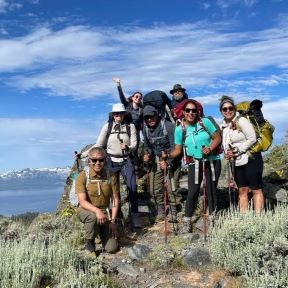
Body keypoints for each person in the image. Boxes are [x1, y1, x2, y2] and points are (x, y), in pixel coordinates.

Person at [169, 99, 222, 233]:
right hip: (194, 162)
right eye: (188, 110)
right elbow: (178, 150)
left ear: (197, 111)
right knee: (193, 191)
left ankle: (213, 218)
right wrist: (166, 156)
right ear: (183, 112)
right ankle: (187, 220)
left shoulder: (205, 122)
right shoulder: (180, 129)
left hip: (212, 160)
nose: (191, 113)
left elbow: (217, 138)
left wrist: (209, 148)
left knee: (211, 190)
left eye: (194, 110)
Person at [95, 103, 140, 228]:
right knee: (114, 190)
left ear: (124, 114)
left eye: (120, 113)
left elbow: (134, 145)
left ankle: (135, 217)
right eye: (116, 113)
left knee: (133, 187)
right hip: (111, 160)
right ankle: (117, 217)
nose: (118, 115)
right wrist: (82, 155)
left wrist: (128, 147)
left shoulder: (130, 127)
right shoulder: (107, 127)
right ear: (113, 115)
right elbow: (98, 144)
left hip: (126, 160)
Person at [219, 95, 264, 214]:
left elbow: (252, 138)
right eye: (225, 109)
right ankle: (244, 219)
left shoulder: (241, 120)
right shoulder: (223, 126)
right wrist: (227, 154)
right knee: (242, 190)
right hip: (237, 162)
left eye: (230, 108)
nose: (228, 111)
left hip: (252, 158)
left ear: (234, 109)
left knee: (255, 189)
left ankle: (259, 220)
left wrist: (237, 151)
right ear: (221, 111)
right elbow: (225, 144)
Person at [76, 147, 119, 254]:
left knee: (112, 248)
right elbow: (82, 202)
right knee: (92, 217)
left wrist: (113, 221)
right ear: (89, 161)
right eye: (94, 160)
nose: (97, 163)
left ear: (105, 160)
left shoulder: (111, 176)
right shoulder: (82, 176)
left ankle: (99, 232)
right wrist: (97, 211)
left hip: (105, 213)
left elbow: (115, 200)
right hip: (87, 211)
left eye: (101, 160)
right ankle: (90, 245)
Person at [143, 105, 181, 223]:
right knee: (155, 188)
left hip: (172, 159)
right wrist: (147, 155)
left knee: (172, 187)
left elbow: (175, 147)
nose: (149, 119)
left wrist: (168, 161)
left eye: (151, 116)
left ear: (157, 115)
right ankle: (161, 211)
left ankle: (174, 210)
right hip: (157, 160)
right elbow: (147, 146)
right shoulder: (145, 129)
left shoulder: (168, 126)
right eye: (147, 118)